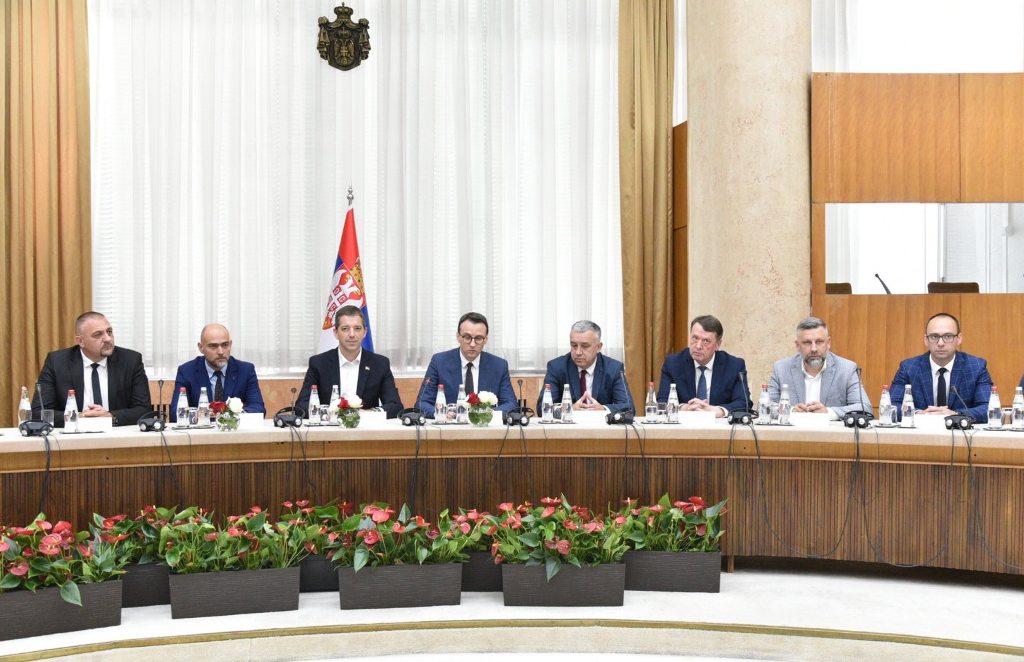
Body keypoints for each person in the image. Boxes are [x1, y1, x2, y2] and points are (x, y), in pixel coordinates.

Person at [31, 311, 152, 427]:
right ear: (80, 341)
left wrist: (110, 416)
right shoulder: (57, 362)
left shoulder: (130, 360)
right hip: (73, 434)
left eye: (109, 332)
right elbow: (39, 412)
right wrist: (78, 417)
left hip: (116, 433)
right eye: (98, 335)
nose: (108, 339)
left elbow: (143, 409)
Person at [297, 305, 403, 418]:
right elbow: (301, 407)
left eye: (357, 328)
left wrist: (368, 413)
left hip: (365, 427)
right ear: (335, 332)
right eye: (345, 329)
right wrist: (331, 413)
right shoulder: (319, 363)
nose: (352, 335)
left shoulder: (380, 364)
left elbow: (396, 406)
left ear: (365, 332)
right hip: (330, 426)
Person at [890, 312, 992, 422]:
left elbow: (987, 408)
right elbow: (892, 406)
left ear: (959, 339)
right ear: (926, 340)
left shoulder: (976, 367)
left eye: (948, 336)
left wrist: (955, 414)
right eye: (934, 336)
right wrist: (918, 414)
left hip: (959, 431)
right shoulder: (908, 368)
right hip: (922, 430)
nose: (940, 343)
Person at [767, 317, 871, 419]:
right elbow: (766, 406)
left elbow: (864, 408)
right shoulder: (781, 368)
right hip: (794, 430)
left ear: (828, 343)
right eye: (807, 342)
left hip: (829, 430)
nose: (814, 349)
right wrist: (791, 411)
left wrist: (828, 413)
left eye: (819, 342)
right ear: (797, 345)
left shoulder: (846, 369)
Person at [418, 311, 517, 418]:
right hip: (450, 425)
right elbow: (422, 403)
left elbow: (511, 404)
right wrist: (442, 413)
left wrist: (486, 414)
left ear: (485, 340)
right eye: (467, 337)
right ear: (458, 337)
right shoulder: (439, 362)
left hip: (483, 425)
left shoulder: (499, 365)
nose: (472, 344)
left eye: (478, 338)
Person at [657, 315, 749, 417]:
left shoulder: (734, 366)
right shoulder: (673, 363)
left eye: (706, 341)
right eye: (695, 338)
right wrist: (684, 408)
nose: (698, 346)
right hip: (685, 424)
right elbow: (662, 401)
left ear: (718, 344)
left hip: (718, 425)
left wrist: (718, 411)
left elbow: (743, 402)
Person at [169, 323, 266, 421]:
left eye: (225, 345)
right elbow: (175, 414)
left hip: (233, 429)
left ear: (230, 345)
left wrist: (229, 415)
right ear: (201, 347)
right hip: (201, 429)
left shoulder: (245, 370)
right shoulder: (186, 372)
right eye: (213, 346)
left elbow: (258, 409)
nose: (221, 352)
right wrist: (198, 415)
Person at [537, 320, 631, 413]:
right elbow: (542, 408)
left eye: (585, 346)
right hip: (569, 422)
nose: (578, 352)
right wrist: (569, 409)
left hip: (600, 422)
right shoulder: (556, 367)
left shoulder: (614, 368)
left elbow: (629, 408)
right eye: (574, 345)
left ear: (598, 347)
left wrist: (603, 409)